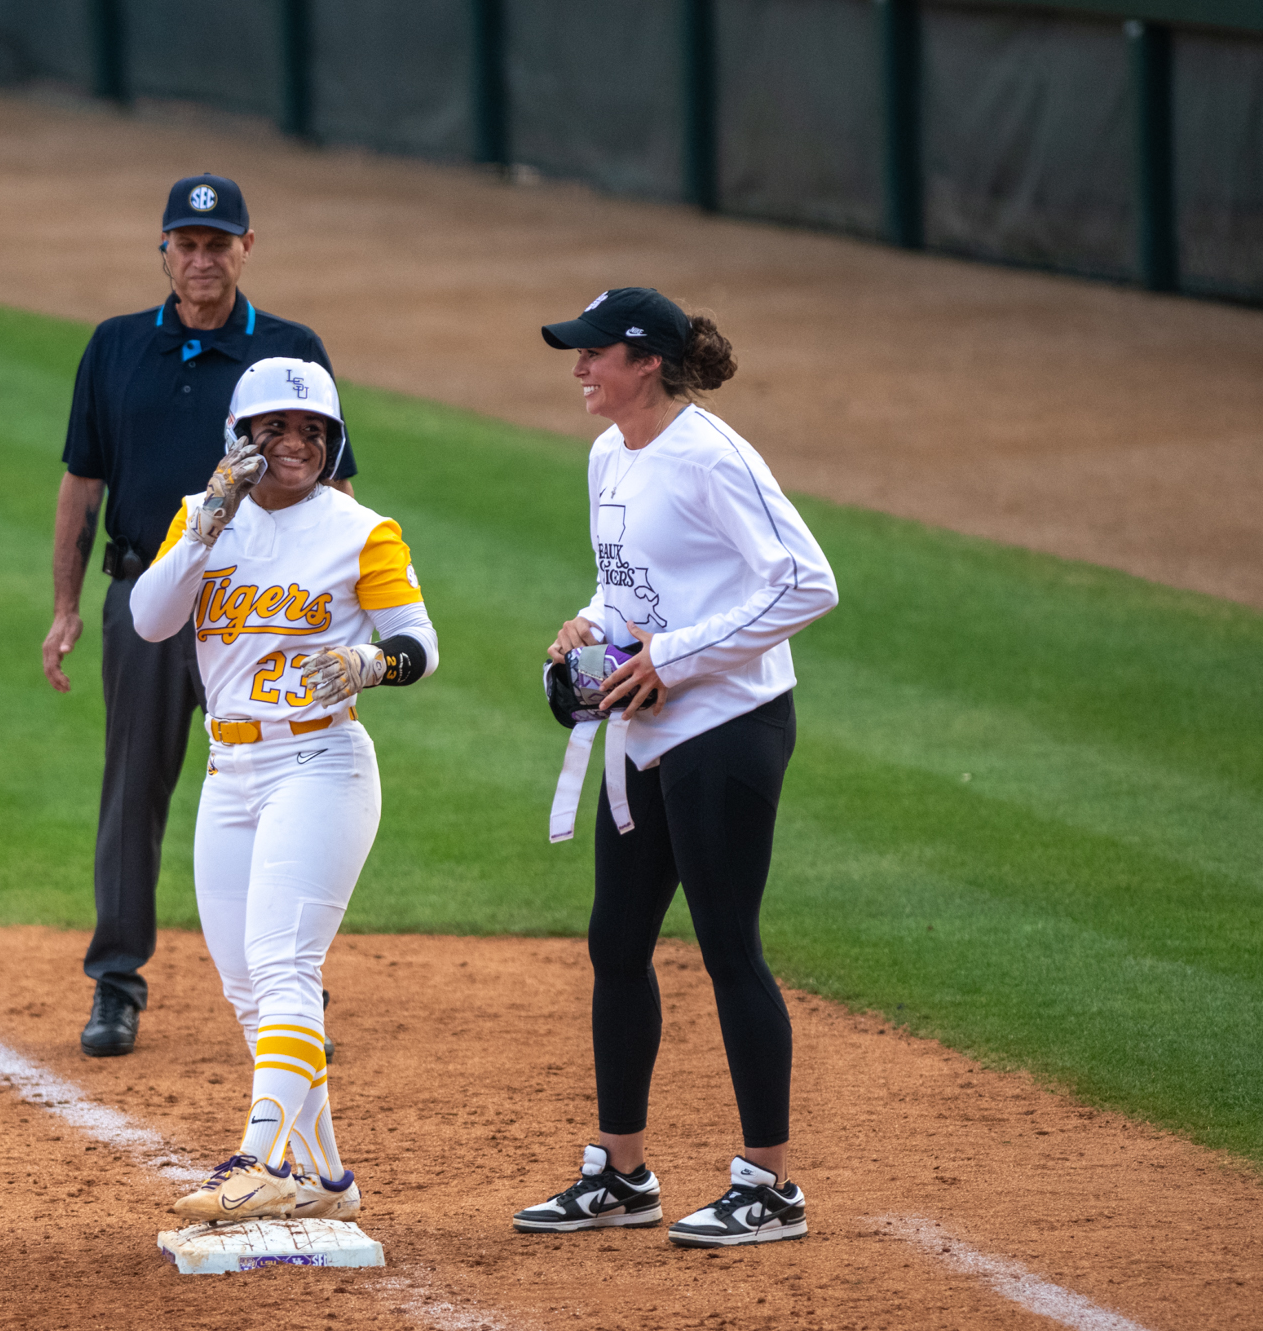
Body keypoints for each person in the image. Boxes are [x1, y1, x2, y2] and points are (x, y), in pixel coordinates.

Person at [512, 288, 838, 1248]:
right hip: (650, 735)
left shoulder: (713, 458)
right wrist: (593, 631)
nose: (577, 368)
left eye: (592, 354)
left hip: (730, 730)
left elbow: (807, 582)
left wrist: (676, 656)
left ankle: (770, 1184)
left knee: (728, 945)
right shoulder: (608, 454)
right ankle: (621, 1171)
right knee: (617, 942)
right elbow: (632, 593)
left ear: (644, 360)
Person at [43, 173, 359, 1059]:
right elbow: (83, 481)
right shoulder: (114, 348)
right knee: (133, 786)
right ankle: (116, 983)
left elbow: (333, 490)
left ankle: (294, 983)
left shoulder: (292, 352)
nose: (202, 258)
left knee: (283, 785)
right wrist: (67, 605)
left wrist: (329, 626)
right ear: (165, 252)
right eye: (186, 243)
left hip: (262, 615)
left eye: (218, 244)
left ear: (245, 249)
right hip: (147, 593)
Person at [131, 356, 438, 1222]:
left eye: (311, 431)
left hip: (320, 764)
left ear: (333, 442)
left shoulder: (360, 530)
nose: (293, 443)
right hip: (230, 774)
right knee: (247, 988)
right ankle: (325, 1176)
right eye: (274, 428)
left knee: (283, 963)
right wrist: (207, 525)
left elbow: (420, 643)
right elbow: (150, 619)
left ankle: (259, 1157)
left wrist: (370, 661)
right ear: (241, 438)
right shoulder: (201, 519)